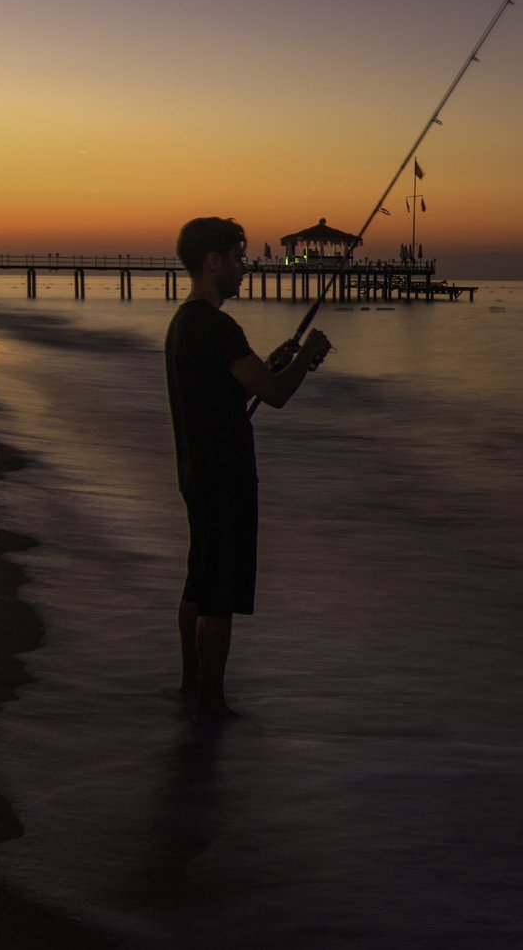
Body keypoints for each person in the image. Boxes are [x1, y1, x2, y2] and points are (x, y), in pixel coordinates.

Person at [166, 216, 331, 720]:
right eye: (237, 259)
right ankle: (213, 705)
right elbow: (276, 395)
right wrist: (307, 356)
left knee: (199, 580)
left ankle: (192, 685)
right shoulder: (218, 327)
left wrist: (276, 361)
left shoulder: (184, 324)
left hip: (196, 470)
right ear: (212, 262)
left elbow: (237, 386)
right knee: (219, 594)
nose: (244, 267)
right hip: (226, 477)